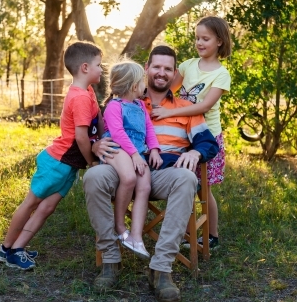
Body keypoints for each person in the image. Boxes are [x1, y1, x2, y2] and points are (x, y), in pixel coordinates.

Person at [83, 45, 219, 302]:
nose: (161, 73)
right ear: (146, 69)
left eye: (168, 69)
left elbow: (208, 142)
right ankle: (111, 259)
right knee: (93, 177)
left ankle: (161, 268)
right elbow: (101, 133)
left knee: (188, 178)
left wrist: (194, 153)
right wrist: (95, 145)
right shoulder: (125, 99)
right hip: (122, 168)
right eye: (156, 66)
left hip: (161, 174)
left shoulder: (185, 108)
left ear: (174, 73)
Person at [0, 41, 103, 270]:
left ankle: (18, 248)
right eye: (99, 65)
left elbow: (99, 117)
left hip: (69, 166)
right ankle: (6, 249)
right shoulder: (80, 97)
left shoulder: (88, 91)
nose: (102, 69)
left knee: (47, 208)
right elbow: (82, 138)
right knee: (32, 203)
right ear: (85, 67)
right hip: (57, 162)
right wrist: (92, 162)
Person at [151, 15, 232, 250]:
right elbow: (168, 90)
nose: (199, 42)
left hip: (207, 136)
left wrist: (166, 114)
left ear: (219, 41)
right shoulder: (187, 65)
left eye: (205, 38)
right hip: (182, 134)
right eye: (197, 38)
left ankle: (212, 235)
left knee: (203, 188)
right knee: (186, 183)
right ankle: (187, 231)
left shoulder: (221, 74)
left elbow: (205, 106)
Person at [101, 59, 162, 260]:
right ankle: (120, 226)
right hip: (117, 149)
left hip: (137, 153)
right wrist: (135, 155)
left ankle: (136, 237)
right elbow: (117, 133)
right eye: (143, 81)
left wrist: (153, 149)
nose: (146, 84)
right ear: (134, 85)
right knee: (129, 178)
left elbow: (149, 130)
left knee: (144, 185)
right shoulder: (113, 106)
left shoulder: (140, 106)